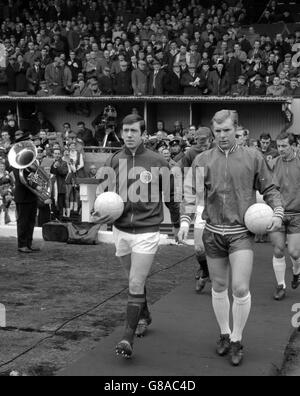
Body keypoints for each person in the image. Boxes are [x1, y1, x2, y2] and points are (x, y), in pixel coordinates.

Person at [178, 110, 284, 367]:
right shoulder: (202, 159)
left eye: (227, 130)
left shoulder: (253, 156)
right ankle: (225, 333)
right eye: (218, 131)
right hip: (214, 231)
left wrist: (278, 212)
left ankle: (237, 339)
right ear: (213, 132)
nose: (222, 136)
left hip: (240, 234)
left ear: (236, 129)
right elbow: (190, 193)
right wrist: (185, 221)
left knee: (240, 288)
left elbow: (269, 188)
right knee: (218, 286)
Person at [92, 114, 180, 359]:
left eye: (134, 131)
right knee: (135, 280)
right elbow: (103, 194)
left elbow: (171, 195)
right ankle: (144, 314)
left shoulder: (157, 160)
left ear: (143, 133)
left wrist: (175, 222)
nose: (129, 135)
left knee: (134, 282)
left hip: (147, 230)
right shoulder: (114, 158)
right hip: (120, 230)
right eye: (125, 130)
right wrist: (97, 212)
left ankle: (127, 338)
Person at [181, 127, 212, 293]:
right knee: (199, 248)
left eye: (205, 141)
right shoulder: (191, 154)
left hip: (219, 206)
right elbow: (184, 173)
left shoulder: (219, 152)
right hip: (200, 204)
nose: (203, 145)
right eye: (199, 142)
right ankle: (205, 270)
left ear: (210, 139)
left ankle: (216, 274)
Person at [270, 132, 300, 301]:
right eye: (279, 146)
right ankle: (281, 285)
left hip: (297, 214)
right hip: (278, 214)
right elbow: (269, 187)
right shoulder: (273, 163)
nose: (280, 149)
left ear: (294, 146)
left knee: (295, 253)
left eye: (284, 146)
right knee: (278, 249)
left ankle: (296, 271)